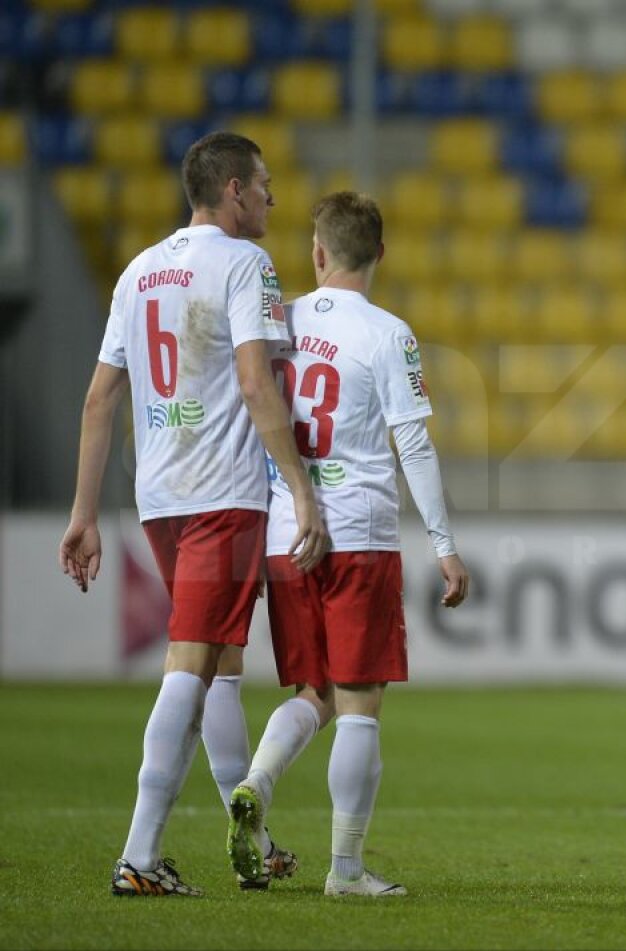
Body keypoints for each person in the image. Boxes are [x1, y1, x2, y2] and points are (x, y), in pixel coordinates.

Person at [58, 132, 331, 897]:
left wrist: (84, 511)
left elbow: (98, 398)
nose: (274, 199)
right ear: (235, 189)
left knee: (217, 665)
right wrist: (301, 488)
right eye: (266, 185)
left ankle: (257, 838)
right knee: (192, 662)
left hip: (161, 498)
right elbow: (255, 380)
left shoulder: (140, 269)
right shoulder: (246, 264)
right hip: (224, 494)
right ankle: (140, 855)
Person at [223, 191, 470, 898]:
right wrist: (445, 546)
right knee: (359, 702)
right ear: (381, 255)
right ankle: (346, 869)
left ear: (318, 252)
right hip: (358, 530)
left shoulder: (281, 321)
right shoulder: (390, 333)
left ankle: (257, 781)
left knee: (314, 689)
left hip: (286, 527)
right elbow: (413, 443)